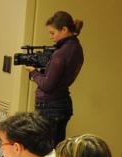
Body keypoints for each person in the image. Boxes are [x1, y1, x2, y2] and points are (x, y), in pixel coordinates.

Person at [27, 11, 84, 145]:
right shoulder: (76, 47)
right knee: (56, 149)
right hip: (62, 102)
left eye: (53, 33)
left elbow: (47, 85)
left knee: (45, 150)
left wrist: (33, 72)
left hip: (50, 107)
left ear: (64, 29)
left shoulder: (61, 53)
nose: (51, 37)